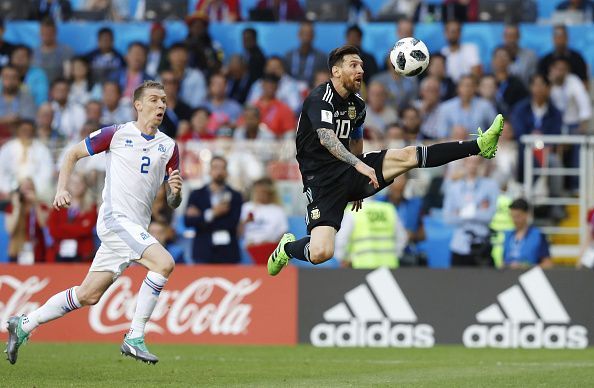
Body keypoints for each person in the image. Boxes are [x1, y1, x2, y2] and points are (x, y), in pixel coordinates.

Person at [266, 45, 504, 276]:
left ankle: (480, 146)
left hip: (350, 169)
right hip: (321, 183)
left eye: (361, 65)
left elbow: (355, 139)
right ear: (336, 71)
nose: (360, 70)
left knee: (408, 155)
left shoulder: (357, 104)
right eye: (353, 65)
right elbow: (327, 138)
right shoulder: (320, 97)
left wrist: (357, 179)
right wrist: (358, 165)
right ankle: (287, 248)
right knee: (321, 252)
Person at [5, 80, 183, 365]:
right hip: (116, 221)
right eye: (153, 99)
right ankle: (134, 336)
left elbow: (173, 202)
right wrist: (61, 189)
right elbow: (72, 153)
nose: (161, 105)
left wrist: (175, 192)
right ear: (138, 105)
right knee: (164, 263)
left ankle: (24, 323)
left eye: (163, 100)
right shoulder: (117, 134)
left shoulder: (169, 147)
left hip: (135, 229)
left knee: (88, 295)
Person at [184, 156, 243, 264]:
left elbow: (232, 222)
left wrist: (201, 217)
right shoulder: (196, 194)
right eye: (216, 167)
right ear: (210, 171)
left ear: (227, 171)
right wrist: (212, 213)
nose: (219, 171)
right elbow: (188, 222)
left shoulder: (236, 196)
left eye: (222, 168)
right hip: (203, 251)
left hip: (228, 252)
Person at [443, 156, 499, 266]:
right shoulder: (454, 188)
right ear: (464, 162)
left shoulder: (490, 185)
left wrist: (461, 212)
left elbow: (489, 215)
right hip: (459, 245)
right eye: (470, 161)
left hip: (482, 244)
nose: (472, 165)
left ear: (481, 164)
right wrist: (477, 210)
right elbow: (448, 218)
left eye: (476, 162)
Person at [47, 172, 98, 262]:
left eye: (80, 183)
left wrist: (63, 228)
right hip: (59, 256)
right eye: (73, 183)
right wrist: (79, 227)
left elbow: (87, 229)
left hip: (84, 257)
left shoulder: (91, 207)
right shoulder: (58, 205)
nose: (76, 186)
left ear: (85, 185)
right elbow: (53, 230)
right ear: (68, 185)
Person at [0, 119, 54, 202]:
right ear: (18, 131)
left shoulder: (42, 149)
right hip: (10, 191)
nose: (27, 133)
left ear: (33, 132)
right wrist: (9, 189)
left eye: (30, 131)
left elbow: (46, 172)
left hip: (35, 191)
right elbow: (1, 171)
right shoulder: (7, 148)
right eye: (24, 130)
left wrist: (32, 187)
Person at [240, 177, 288, 264]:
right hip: (249, 252)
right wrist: (245, 222)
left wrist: (269, 245)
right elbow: (239, 233)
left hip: (269, 251)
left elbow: (283, 234)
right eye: (257, 191)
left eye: (263, 192)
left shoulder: (277, 210)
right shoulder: (247, 207)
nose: (260, 194)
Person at [4, 177, 50, 264]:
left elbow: (43, 224)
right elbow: (10, 229)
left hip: (37, 251)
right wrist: (17, 207)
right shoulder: (11, 207)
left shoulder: (41, 206)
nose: (26, 191)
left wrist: (35, 203)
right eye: (24, 188)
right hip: (17, 249)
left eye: (29, 188)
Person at [503, 198, 552, 268]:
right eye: (512, 216)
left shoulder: (538, 236)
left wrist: (527, 267)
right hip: (509, 277)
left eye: (518, 216)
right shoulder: (508, 236)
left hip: (530, 277)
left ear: (526, 215)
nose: (515, 220)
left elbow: (548, 264)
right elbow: (503, 262)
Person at [32, 17, 73, 83]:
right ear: (39, 33)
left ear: (55, 33)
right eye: (43, 33)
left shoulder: (66, 51)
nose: (46, 37)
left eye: (49, 34)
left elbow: (67, 75)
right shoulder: (33, 52)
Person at [159, 70, 192, 139]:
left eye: (173, 82)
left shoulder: (186, 109)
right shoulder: (154, 108)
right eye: (166, 82)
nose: (169, 85)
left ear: (177, 85)